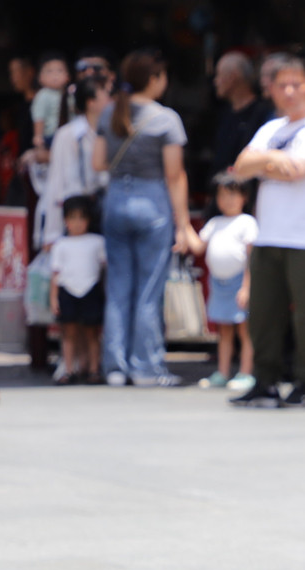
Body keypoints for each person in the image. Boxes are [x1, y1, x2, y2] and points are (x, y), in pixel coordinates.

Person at [230, 52, 305, 409]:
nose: (289, 92)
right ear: (272, 90)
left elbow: (299, 171)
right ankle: (265, 381)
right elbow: (240, 167)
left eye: (296, 84)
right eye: (282, 85)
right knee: (263, 314)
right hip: (268, 235)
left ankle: (304, 382)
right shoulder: (270, 129)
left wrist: (263, 162)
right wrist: (274, 160)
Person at [96, 48, 200, 388]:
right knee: (149, 289)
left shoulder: (110, 112)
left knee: (118, 287)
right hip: (151, 200)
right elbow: (174, 174)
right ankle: (146, 367)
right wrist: (183, 223)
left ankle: (115, 366)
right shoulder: (165, 119)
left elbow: (98, 162)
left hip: (115, 198)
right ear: (154, 79)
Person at [198, 172, 258, 392]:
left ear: (244, 197)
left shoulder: (247, 222)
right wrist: (182, 227)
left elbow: (252, 258)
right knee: (224, 331)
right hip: (218, 283)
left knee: (244, 330)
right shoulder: (214, 223)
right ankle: (222, 373)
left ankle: (246, 372)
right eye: (222, 195)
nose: (228, 200)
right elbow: (198, 246)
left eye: (233, 194)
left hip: (239, 283)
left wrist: (246, 287)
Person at [33, 76, 107, 252]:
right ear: (91, 102)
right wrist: (51, 233)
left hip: (104, 210)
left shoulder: (111, 131)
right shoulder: (68, 134)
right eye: (104, 94)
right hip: (76, 214)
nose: (110, 99)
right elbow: (56, 183)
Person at [50, 194, 107, 384]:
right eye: (72, 218)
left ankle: (93, 369)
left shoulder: (97, 241)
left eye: (81, 218)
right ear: (65, 221)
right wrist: (53, 298)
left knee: (92, 333)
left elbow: (104, 269)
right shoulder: (60, 244)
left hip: (91, 289)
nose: (77, 223)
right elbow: (55, 274)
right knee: (68, 333)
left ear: (89, 220)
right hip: (67, 290)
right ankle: (68, 369)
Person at [209, 51, 269, 177]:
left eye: (219, 75)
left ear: (233, 76)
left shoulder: (263, 114)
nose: (215, 81)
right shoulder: (223, 115)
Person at [29, 52, 70, 160]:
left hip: (69, 135)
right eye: (49, 71)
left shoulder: (69, 94)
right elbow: (39, 117)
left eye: (59, 71)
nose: (55, 75)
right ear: (40, 78)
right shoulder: (43, 95)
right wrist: (38, 136)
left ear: (67, 76)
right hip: (51, 136)